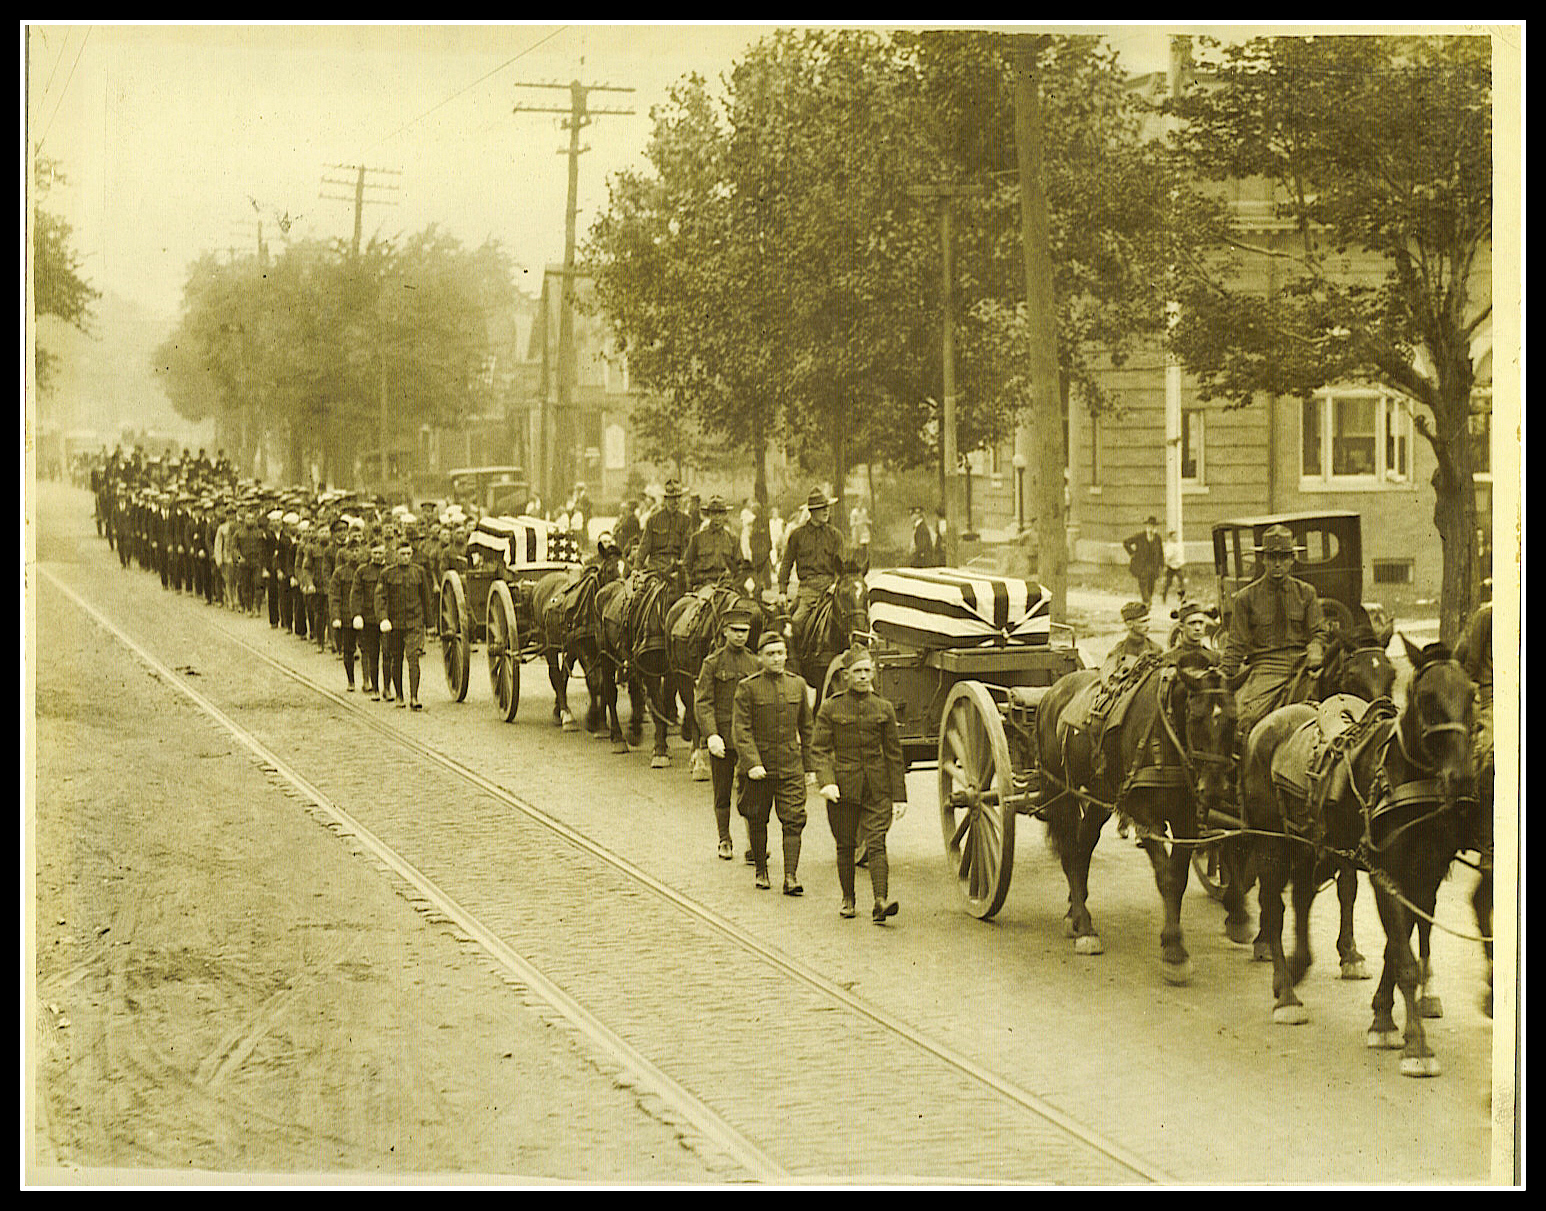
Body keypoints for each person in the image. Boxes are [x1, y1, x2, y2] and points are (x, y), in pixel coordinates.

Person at [813, 645, 907, 923]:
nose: (864, 676)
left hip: (877, 788)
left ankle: (880, 901)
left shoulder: (884, 708)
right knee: (845, 845)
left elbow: (894, 755)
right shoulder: (831, 708)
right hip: (843, 789)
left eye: (868, 671)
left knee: (877, 842)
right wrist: (827, 782)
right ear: (846, 675)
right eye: (858, 671)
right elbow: (818, 750)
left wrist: (899, 796)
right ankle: (848, 898)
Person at [1220, 524, 1330, 742]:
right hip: (1266, 667)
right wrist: (1222, 676)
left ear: (1292, 559)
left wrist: (1316, 648)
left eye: (1283, 557)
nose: (1277, 563)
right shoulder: (1245, 598)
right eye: (1272, 557)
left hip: (1302, 665)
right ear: (1264, 560)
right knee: (1246, 721)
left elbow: (1319, 631)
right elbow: (1236, 643)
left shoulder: (1305, 593)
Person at [732, 631, 816, 894]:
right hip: (759, 769)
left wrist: (810, 766)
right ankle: (761, 870)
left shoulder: (798, 685)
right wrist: (752, 763)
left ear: (787, 655)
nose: (777, 659)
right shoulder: (748, 687)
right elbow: (741, 730)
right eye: (770, 654)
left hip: (790, 766)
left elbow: (807, 728)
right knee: (757, 819)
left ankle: (790, 876)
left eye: (780, 653)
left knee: (793, 819)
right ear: (760, 657)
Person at [695, 606, 760, 861]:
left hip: (746, 740)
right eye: (735, 631)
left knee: (750, 792)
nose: (740, 636)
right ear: (724, 632)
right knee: (722, 792)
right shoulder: (712, 663)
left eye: (744, 631)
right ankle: (724, 839)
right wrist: (711, 734)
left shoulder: (755, 663)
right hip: (721, 738)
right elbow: (703, 702)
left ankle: (754, 844)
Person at [778, 487, 851, 649]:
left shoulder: (835, 535)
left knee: (852, 619)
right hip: (808, 591)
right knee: (793, 626)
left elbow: (841, 566)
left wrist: (835, 585)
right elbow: (786, 564)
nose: (826, 512)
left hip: (831, 589)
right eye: (821, 509)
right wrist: (782, 591)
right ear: (812, 511)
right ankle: (794, 665)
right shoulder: (798, 535)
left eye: (827, 508)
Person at [376, 538, 435, 711]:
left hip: (414, 622)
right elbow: (380, 598)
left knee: (413, 658)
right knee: (396, 659)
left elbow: (426, 598)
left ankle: (414, 697)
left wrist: (430, 624)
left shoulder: (419, 572)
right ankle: (400, 695)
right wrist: (383, 618)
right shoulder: (387, 574)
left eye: (409, 554)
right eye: (402, 554)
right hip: (394, 624)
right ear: (395, 554)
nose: (406, 557)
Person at [351, 542, 388, 701]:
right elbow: (356, 593)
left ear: (385, 553)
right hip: (370, 618)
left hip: (386, 618)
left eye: (380, 553)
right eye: (375, 553)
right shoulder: (362, 571)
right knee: (373, 654)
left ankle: (387, 688)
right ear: (370, 554)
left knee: (388, 653)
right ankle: (375, 688)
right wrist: (357, 614)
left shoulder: (390, 571)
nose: (378, 556)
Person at [683, 495, 739, 590]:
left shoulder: (732, 540)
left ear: (725, 515)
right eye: (714, 513)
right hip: (703, 585)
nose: (717, 517)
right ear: (709, 515)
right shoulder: (697, 538)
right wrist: (690, 585)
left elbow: (739, 567)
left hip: (725, 586)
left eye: (720, 513)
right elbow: (686, 565)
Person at [1100, 601, 1164, 679]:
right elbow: (1107, 680)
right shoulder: (1117, 652)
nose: (1148, 625)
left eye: (1148, 620)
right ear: (1129, 624)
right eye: (1143, 622)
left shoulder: (1156, 650)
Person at [330, 537, 361, 690]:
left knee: (366, 649)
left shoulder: (364, 570)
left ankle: (368, 681)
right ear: (346, 553)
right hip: (346, 615)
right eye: (352, 551)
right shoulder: (339, 573)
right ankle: (351, 681)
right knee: (348, 650)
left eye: (357, 551)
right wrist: (336, 617)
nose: (355, 554)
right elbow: (335, 596)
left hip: (363, 615)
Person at [1123, 516, 1165, 607]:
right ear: (1147, 526)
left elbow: (1161, 552)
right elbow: (1126, 542)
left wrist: (1162, 565)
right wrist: (1132, 553)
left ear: (1155, 528)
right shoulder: (1140, 536)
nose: (1151, 528)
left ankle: (1148, 599)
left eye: (1153, 526)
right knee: (1143, 582)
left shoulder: (1157, 538)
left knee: (1151, 584)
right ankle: (1146, 601)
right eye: (1150, 526)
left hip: (1153, 565)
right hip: (1142, 565)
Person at [1164, 600, 1220, 667]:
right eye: (1192, 623)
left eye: (1201, 623)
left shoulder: (1215, 658)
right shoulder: (1169, 658)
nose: (1198, 628)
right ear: (1181, 627)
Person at [1161, 530, 1187, 603]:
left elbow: (1181, 556)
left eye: (1176, 536)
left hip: (1179, 566)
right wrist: (1169, 560)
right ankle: (1164, 596)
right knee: (1168, 582)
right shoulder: (1169, 546)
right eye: (1173, 536)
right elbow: (1167, 556)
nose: (1175, 538)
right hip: (1171, 567)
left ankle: (1181, 597)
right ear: (1170, 537)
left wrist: (1182, 563)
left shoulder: (1179, 545)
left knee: (1182, 581)